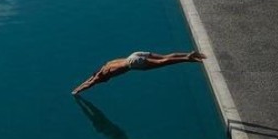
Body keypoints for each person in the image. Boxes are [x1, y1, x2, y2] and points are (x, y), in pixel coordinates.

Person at [72, 48, 206, 96]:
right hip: (134, 54)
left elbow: (89, 83)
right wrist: (78, 86)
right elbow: (89, 79)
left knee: (162, 63)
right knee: (165, 56)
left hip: (133, 63)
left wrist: (77, 91)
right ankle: (189, 54)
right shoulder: (106, 65)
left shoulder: (100, 77)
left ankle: (187, 58)